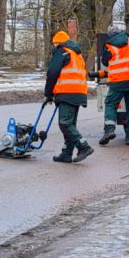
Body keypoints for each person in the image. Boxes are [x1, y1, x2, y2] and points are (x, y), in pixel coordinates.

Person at [45, 30, 93, 163]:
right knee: (70, 124)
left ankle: (84, 146)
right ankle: (66, 153)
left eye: (54, 44)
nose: (53, 47)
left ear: (57, 43)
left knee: (65, 124)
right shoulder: (76, 54)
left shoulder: (62, 51)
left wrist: (48, 94)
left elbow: (52, 72)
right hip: (78, 92)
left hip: (68, 92)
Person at [99, 28, 129, 146]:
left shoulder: (108, 45)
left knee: (110, 104)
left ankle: (110, 130)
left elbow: (105, 62)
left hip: (117, 82)